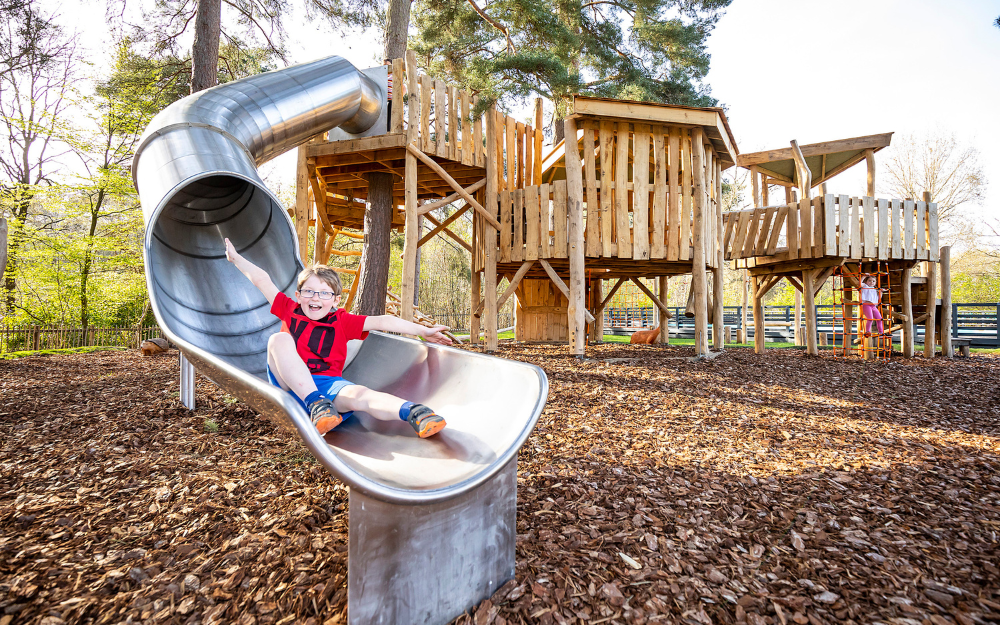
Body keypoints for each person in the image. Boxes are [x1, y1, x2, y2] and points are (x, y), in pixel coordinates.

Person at [224, 238, 452, 438]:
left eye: (325, 293)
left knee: (360, 394)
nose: (316, 298)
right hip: (290, 383)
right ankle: (315, 403)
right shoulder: (290, 309)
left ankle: (415, 412)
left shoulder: (342, 321)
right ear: (298, 295)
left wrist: (423, 331)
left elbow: (383, 321)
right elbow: (262, 280)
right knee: (279, 339)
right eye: (309, 291)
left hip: (329, 385)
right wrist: (236, 259)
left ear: (336, 301)